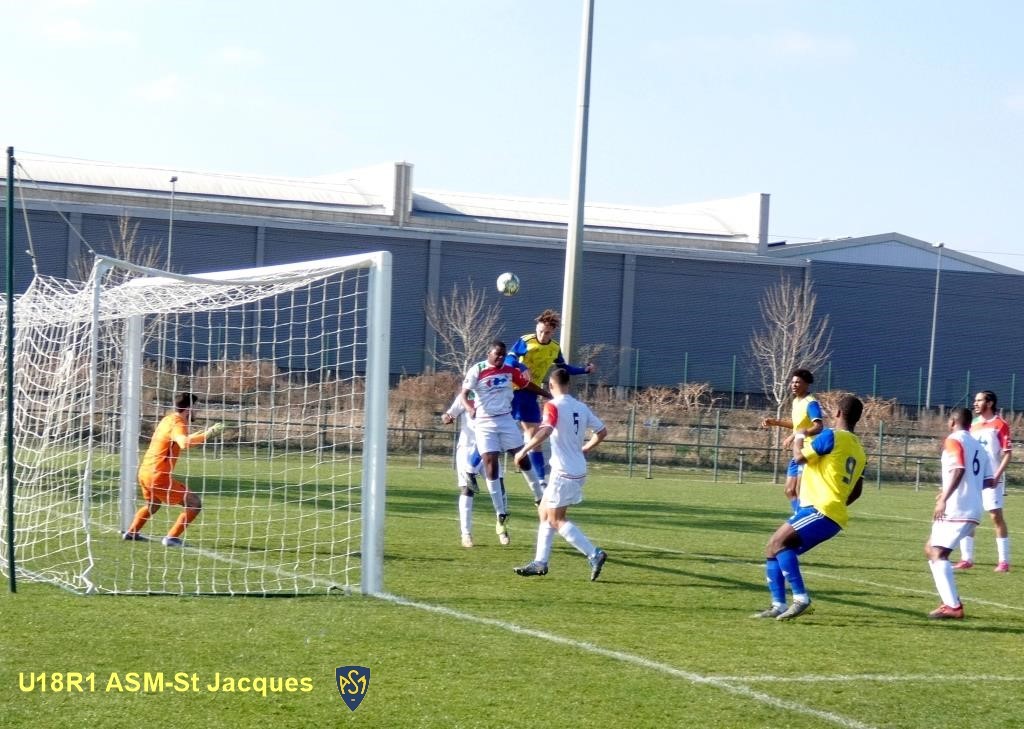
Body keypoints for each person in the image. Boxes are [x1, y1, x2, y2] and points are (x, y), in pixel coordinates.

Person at [753, 394, 866, 621]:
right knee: (775, 549)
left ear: (837, 413)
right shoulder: (860, 451)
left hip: (820, 510)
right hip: (831, 513)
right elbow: (856, 491)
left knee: (777, 543)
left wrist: (799, 436)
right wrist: (837, 502)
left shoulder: (832, 436)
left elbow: (799, 458)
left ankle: (801, 599)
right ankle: (778, 605)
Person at [512, 368, 609, 580]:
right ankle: (540, 562)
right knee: (544, 511)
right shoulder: (581, 407)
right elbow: (602, 432)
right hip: (576, 469)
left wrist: (523, 450)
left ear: (550, 386)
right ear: (568, 384)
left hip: (564, 472)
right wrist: (585, 448)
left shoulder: (553, 405)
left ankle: (594, 553)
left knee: (556, 519)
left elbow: (546, 430)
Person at [461, 340, 550, 546]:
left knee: (521, 457)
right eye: (497, 354)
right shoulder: (478, 369)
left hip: (506, 420)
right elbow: (464, 394)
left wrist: (548, 395)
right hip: (484, 423)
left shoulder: (510, 371)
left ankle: (539, 497)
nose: (500, 358)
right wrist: (470, 408)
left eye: (503, 355)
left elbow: (526, 385)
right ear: (489, 354)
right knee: (491, 464)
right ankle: (501, 515)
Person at [504, 309, 595, 501]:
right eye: (540, 331)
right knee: (495, 429)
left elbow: (564, 368)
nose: (542, 335)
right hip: (510, 390)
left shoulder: (554, 347)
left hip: (530, 392)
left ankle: (541, 481)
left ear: (552, 332)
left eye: (546, 332)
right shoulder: (526, 341)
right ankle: (472, 469)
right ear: (536, 328)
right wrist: (521, 366)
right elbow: (509, 359)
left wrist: (584, 370)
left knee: (534, 437)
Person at [122, 392, 224, 546]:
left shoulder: (168, 419)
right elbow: (184, 443)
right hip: (158, 475)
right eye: (196, 407)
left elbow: (178, 440)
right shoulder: (178, 423)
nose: (198, 411)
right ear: (189, 409)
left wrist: (204, 433)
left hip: (145, 472)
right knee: (194, 503)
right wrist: (208, 435)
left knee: (153, 505)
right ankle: (171, 538)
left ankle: (132, 533)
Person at [926, 408, 995, 619]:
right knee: (931, 549)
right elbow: (989, 481)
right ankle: (949, 602)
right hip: (974, 507)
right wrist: (959, 488)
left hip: (957, 507)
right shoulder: (979, 447)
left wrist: (945, 498)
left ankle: (953, 606)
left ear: (952, 421)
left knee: (937, 553)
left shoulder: (953, 440)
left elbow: (959, 469)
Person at [954, 390, 1013, 572]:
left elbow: (1007, 454)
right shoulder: (972, 424)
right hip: (973, 478)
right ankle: (966, 558)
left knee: (995, 516)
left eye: (979, 400)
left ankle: (1004, 561)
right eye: (975, 400)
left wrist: (997, 475)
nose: (975, 403)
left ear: (990, 403)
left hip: (991, 479)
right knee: (968, 516)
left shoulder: (1000, 424)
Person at [441, 390, 507, 548]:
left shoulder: (494, 393)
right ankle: (466, 533)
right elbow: (449, 414)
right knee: (467, 489)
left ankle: (502, 525)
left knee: (500, 487)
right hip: (467, 448)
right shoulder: (466, 395)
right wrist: (446, 418)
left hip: (488, 447)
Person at [762, 369, 825, 513]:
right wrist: (776, 422)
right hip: (798, 451)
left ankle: (804, 518)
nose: (794, 385)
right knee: (789, 491)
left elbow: (818, 426)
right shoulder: (796, 401)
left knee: (800, 491)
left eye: (798, 382)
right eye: (792, 382)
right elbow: (798, 425)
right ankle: (799, 516)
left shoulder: (811, 403)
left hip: (808, 452)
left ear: (806, 384)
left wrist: (798, 435)